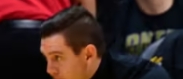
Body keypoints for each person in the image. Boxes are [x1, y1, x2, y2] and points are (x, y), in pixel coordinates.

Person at [40, 7, 170, 79]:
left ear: (88, 55)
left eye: (57, 57)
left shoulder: (145, 76)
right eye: (46, 58)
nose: (49, 70)